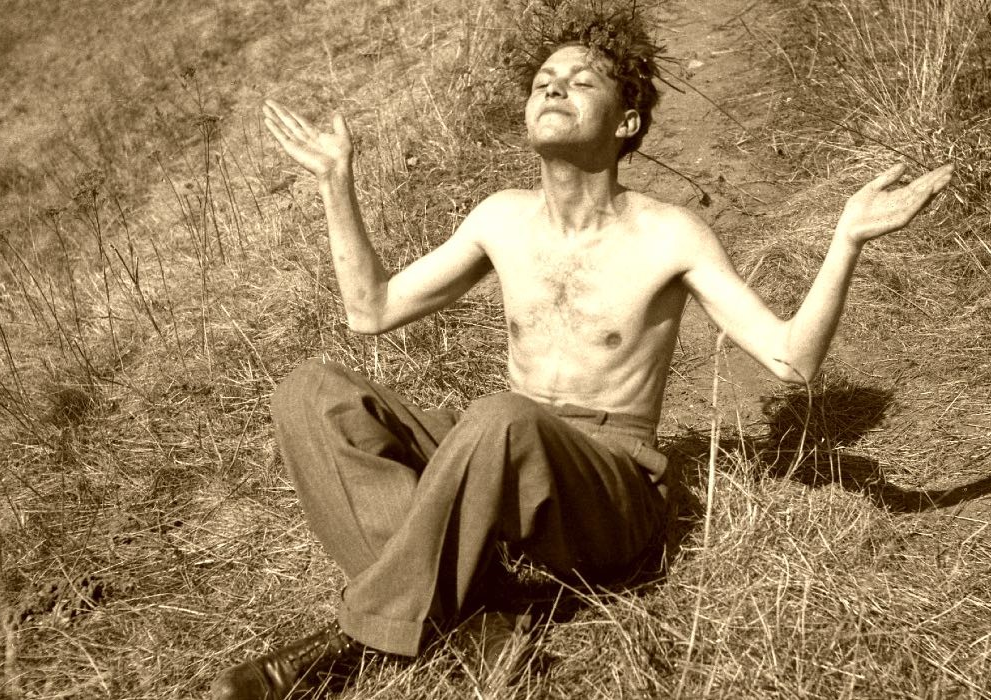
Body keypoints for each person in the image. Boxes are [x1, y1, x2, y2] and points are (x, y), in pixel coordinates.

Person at [209, 17, 953, 700]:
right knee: (312, 392)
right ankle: (478, 615)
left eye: (581, 80)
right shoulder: (501, 218)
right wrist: (335, 181)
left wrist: (846, 240)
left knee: (499, 418)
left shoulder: (670, 235)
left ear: (626, 122)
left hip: (610, 486)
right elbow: (371, 311)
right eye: (544, 81)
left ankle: (352, 640)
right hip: (504, 454)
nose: (554, 88)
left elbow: (791, 362)